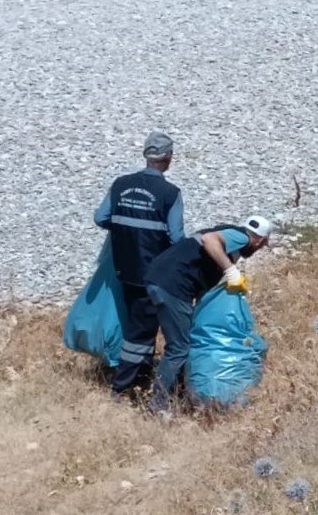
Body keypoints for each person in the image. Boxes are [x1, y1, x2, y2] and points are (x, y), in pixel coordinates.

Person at [142, 214, 273, 414]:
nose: (260, 248)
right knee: (179, 347)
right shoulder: (241, 237)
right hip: (172, 286)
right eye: (263, 244)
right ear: (260, 240)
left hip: (160, 279)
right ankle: (158, 407)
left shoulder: (227, 240)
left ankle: (178, 396)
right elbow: (209, 240)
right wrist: (230, 270)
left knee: (182, 341)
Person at [93, 131, 184, 395]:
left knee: (135, 321)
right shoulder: (170, 193)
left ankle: (141, 378)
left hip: (124, 268)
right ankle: (120, 388)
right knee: (141, 332)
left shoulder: (121, 184)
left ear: (146, 155)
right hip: (152, 272)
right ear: (167, 158)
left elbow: (101, 218)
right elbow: (177, 237)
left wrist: (125, 230)